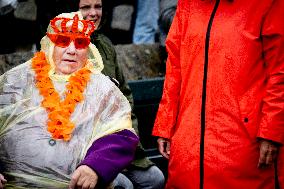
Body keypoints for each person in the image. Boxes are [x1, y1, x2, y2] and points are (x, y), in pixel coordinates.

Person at [153, 0, 284, 188]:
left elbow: (279, 73)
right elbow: (175, 66)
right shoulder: (188, 4)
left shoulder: (268, 4)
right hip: (188, 144)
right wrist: (165, 125)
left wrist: (271, 132)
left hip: (244, 146)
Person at [0, 12, 139, 189]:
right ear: (51, 44)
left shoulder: (104, 89)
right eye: (63, 41)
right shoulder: (16, 81)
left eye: (80, 43)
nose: (72, 50)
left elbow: (122, 136)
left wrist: (95, 167)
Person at [78, 0, 165, 188]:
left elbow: (125, 96)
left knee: (155, 179)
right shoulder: (64, 48)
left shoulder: (105, 44)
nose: (93, 13)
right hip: (86, 150)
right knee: (124, 186)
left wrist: (128, 139)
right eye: (86, 7)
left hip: (117, 140)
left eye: (98, 7)